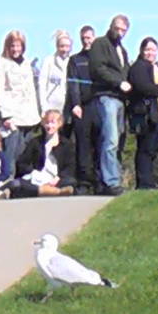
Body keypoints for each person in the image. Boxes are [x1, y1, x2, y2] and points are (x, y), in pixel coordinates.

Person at [86, 15, 133, 196]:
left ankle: (114, 178)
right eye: (117, 29)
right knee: (110, 140)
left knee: (118, 140)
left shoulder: (122, 50)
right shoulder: (100, 44)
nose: (120, 33)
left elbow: (126, 71)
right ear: (111, 26)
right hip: (106, 97)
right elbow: (98, 69)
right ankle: (110, 181)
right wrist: (117, 82)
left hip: (121, 99)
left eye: (123, 30)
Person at [125, 36, 158, 189]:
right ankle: (144, 183)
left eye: (153, 50)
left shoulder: (156, 67)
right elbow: (143, 87)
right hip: (144, 112)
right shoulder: (139, 67)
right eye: (147, 49)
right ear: (141, 51)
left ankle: (149, 181)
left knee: (153, 148)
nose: (150, 53)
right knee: (145, 148)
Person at [0, 30, 41, 163]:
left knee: (24, 154)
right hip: (11, 116)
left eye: (18, 46)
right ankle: (7, 180)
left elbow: (31, 90)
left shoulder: (27, 63)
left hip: (29, 116)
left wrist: (37, 114)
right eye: (13, 45)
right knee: (10, 153)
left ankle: (21, 182)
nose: (15, 49)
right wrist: (5, 115)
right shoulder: (1, 63)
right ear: (7, 46)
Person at [6, 109, 77, 198]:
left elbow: (70, 166)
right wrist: (33, 172)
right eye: (47, 123)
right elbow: (22, 163)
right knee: (16, 184)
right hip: (38, 178)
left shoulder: (66, 144)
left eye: (53, 123)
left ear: (59, 124)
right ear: (43, 124)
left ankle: (43, 191)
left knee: (71, 182)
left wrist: (58, 178)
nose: (50, 126)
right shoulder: (35, 142)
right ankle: (52, 192)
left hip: (56, 179)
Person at [66, 26, 99, 192]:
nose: (87, 41)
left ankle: (99, 182)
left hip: (99, 105)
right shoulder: (75, 60)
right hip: (82, 107)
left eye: (89, 38)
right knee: (83, 146)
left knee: (100, 144)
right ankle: (84, 183)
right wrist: (76, 104)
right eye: (84, 38)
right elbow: (73, 84)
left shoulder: (100, 58)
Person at [35, 30, 72, 120]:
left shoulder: (72, 61)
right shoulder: (48, 61)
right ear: (57, 46)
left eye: (67, 46)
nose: (64, 49)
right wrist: (44, 107)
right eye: (62, 46)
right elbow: (42, 85)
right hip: (51, 107)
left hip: (67, 108)